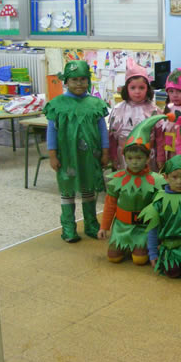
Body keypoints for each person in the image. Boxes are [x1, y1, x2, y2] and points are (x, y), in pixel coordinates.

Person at [45, 60, 109, 243]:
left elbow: (103, 130)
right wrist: (52, 155)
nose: (79, 83)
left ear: (88, 80)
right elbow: (51, 132)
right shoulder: (57, 104)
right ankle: (68, 227)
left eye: (83, 79)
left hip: (90, 156)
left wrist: (105, 152)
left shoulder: (95, 104)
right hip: (66, 157)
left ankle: (91, 224)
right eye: (74, 80)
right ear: (66, 81)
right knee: (68, 189)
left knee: (89, 188)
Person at [99, 116, 168, 265]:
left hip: (143, 228)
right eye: (130, 158)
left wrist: (159, 236)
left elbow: (159, 209)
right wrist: (104, 226)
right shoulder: (117, 179)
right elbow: (110, 204)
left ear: (148, 158)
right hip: (121, 227)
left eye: (139, 158)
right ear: (124, 158)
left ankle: (139, 246)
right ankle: (123, 245)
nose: (134, 162)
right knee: (113, 258)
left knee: (140, 260)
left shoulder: (156, 181)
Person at [108, 58, 163, 170]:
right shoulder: (118, 110)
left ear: (147, 89)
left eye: (141, 88)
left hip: (148, 157)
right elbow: (112, 137)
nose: (137, 92)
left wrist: (160, 158)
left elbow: (160, 138)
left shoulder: (154, 110)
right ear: (126, 89)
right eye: (133, 88)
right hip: (124, 158)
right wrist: (113, 157)